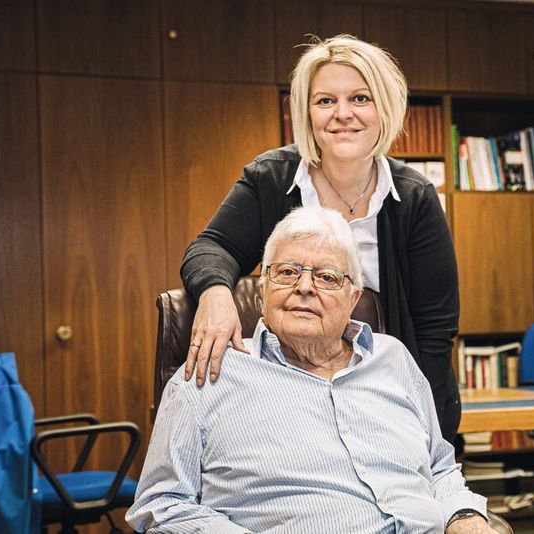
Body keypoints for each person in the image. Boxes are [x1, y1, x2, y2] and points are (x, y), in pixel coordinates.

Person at [128, 207, 495, 533]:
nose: (304, 287)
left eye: (327, 277)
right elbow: (162, 506)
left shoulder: (393, 359)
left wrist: (464, 516)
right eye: (287, 272)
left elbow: (440, 468)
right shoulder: (208, 374)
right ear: (263, 288)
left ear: (354, 299)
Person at [181, 34, 461, 442]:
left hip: (383, 400)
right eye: (325, 101)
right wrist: (215, 294)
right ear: (307, 113)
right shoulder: (271, 178)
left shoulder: (415, 196)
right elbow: (211, 248)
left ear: (385, 107)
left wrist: (427, 435)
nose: (342, 114)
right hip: (286, 394)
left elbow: (435, 332)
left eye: (360, 98)